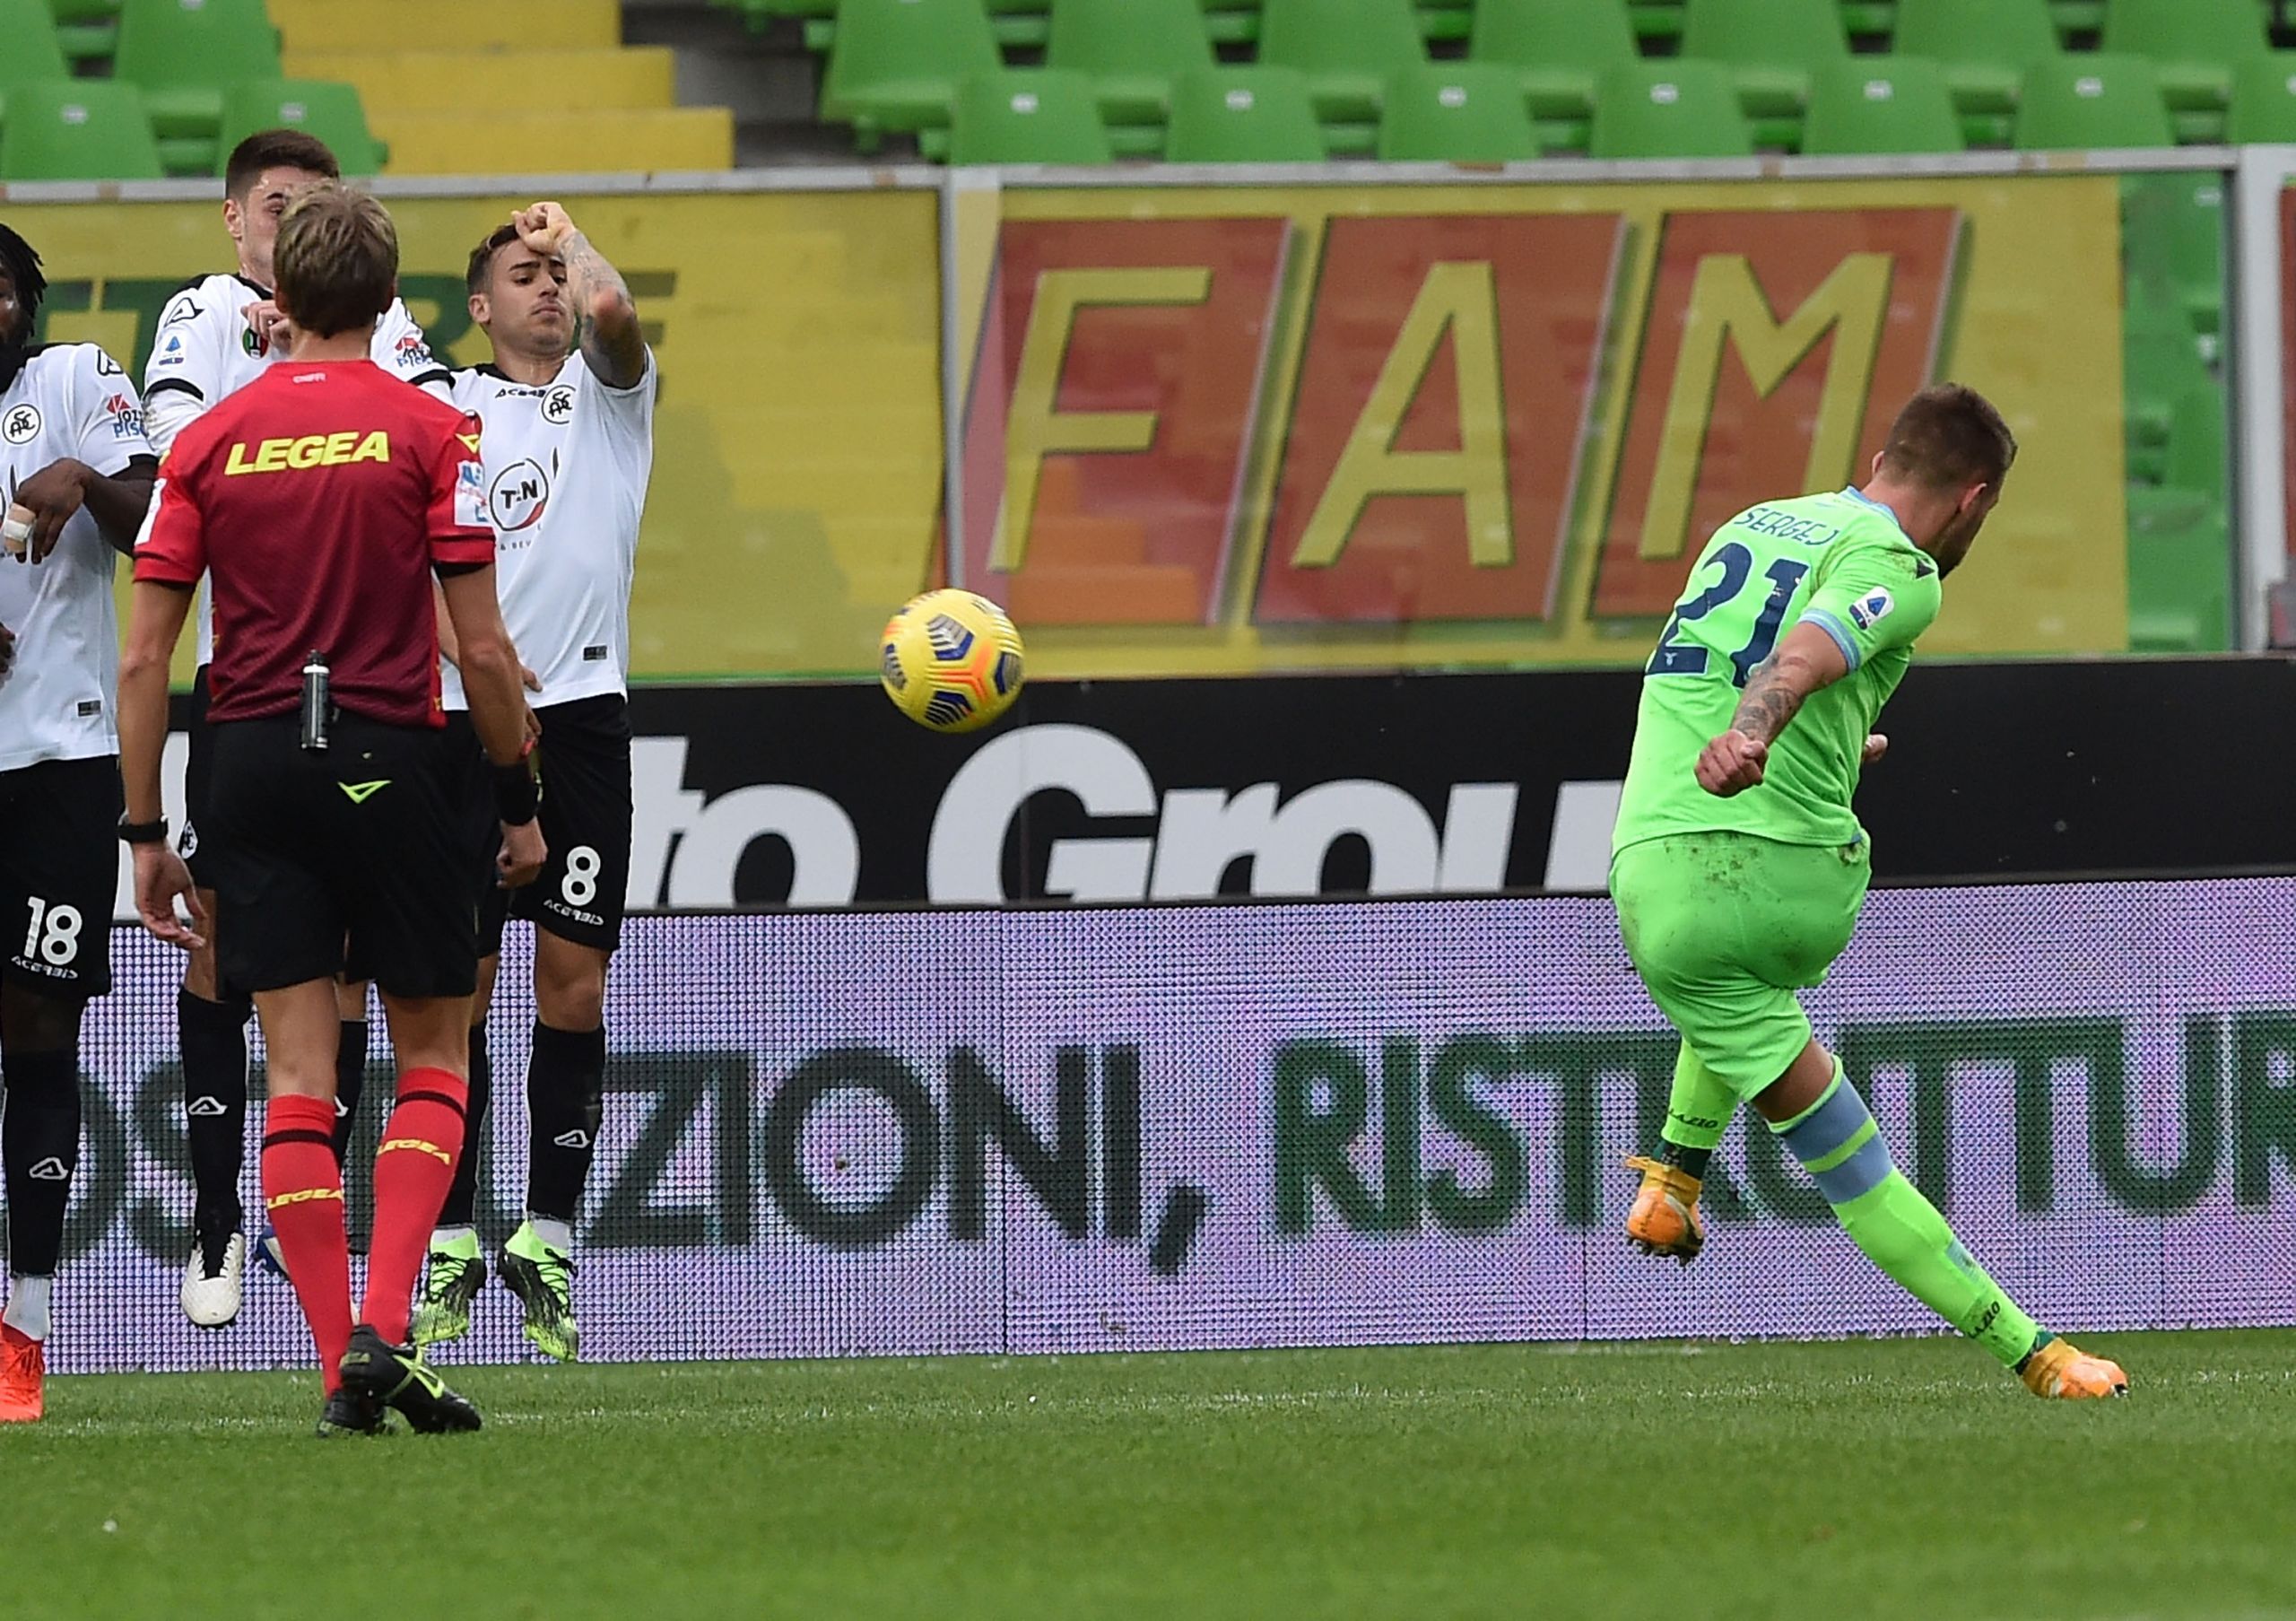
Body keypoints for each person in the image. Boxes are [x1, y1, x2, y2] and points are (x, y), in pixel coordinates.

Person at [120, 184, 544, 1436]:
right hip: (389, 755)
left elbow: (145, 657)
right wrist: (517, 795)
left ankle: (334, 1367)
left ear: (278, 302)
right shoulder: (431, 430)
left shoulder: (208, 439)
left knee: (297, 1075)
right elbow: (485, 650)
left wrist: (145, 831)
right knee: (433, 1050)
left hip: (245, 761)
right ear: (390, 294)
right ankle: (386, 1321)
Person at [1610, 384, 2128, 1401]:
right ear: (1973, 498)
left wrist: (1817, 742)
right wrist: (1761, 730)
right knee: (1856, 1169)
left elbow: (1729, 672)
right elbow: (1797, 656)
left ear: (1881, 454)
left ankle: (1671, 1178)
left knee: (1731, 998)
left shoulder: (1752, 523)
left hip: (1651, 885)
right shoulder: (1906, 565)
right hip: (1784, 880)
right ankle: (2041, 1354)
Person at [144, 129, 453, 1331]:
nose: (292, 225)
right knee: (238, 960)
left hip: (325, 700)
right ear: (236, 223)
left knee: (342, 992)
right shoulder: (201, 316)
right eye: (276, 205)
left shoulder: (394, 342)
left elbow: (430, 423)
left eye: (312, 207)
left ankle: (336, 1293)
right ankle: (228, 1220)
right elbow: (173, 451)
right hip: (274, 685)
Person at [412, 202, 652, 1363]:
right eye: (526, 271)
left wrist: (579, 232)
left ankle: (548, 1235)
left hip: (587, 719)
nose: (551, 287)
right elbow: (405, 563)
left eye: (555, 270)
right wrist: (477, 659)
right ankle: (451, 1237)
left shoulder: (614, 397)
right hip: (460, 724)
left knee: (574, 987)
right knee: (456, 994)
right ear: (479, 302)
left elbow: (613, 311)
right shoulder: (440, 405)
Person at [0, 225, 158, 1423]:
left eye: (3, 287)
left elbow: (157, 523)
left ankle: (28, 1326)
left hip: (60, 758)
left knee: (41, 1030)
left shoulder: (73, 381)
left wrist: (82, 480)